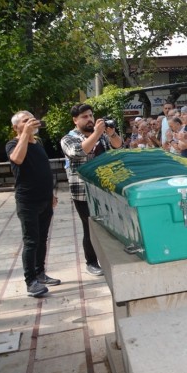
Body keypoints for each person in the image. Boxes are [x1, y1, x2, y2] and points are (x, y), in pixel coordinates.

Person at [61, 104, 123, 276]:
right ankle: (91, 262)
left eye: (91, 115)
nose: (89, 119)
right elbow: (79, 151)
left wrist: (112, 134)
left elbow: (118, 146)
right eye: (84, 117)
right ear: (75, 120)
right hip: (83, 192)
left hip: (105, 189)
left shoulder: (101, 136)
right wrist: (97, 133)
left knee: (109, 225)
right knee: (90, 227)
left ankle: (110, 258)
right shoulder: (69, 138)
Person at [7, 111, 59, 297]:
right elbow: (17, 159)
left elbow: (44, 169)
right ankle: (31, 282)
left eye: (31, 118)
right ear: (16, 127)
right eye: (25, 120)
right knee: (31, 241)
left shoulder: (39, 143)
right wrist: (25, 135)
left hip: (45, 200)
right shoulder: (13, 144)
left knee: (43, 239)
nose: (30, 122)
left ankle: (40, 273)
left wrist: (51, 194)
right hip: (28, 201)